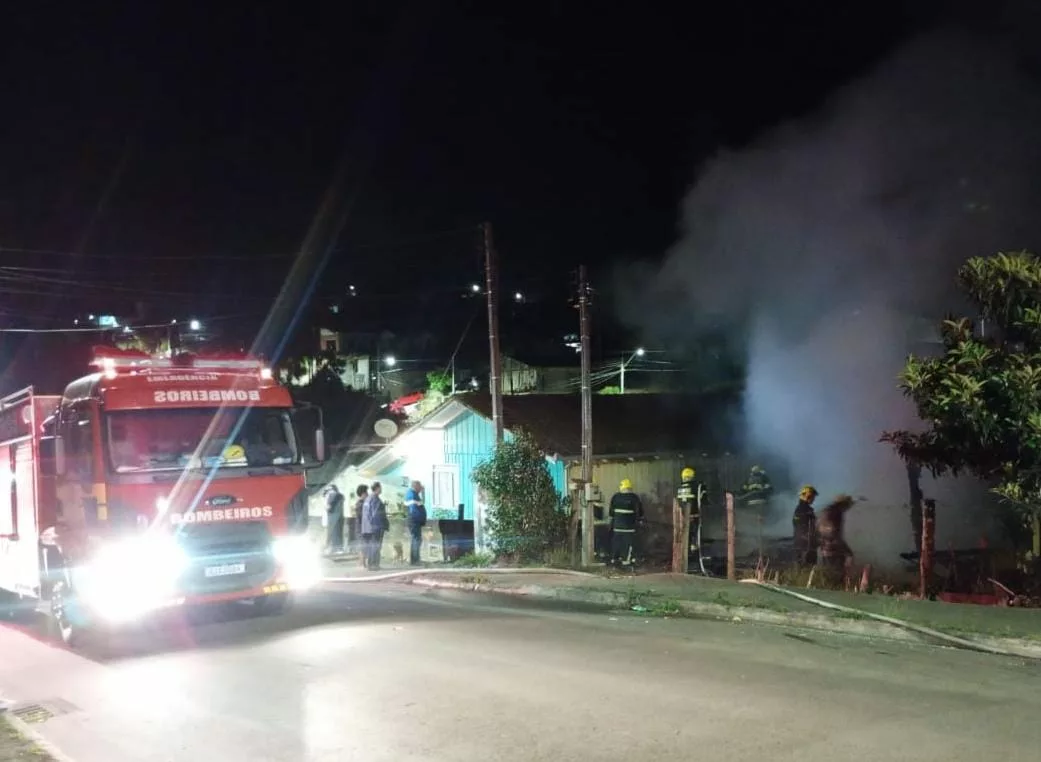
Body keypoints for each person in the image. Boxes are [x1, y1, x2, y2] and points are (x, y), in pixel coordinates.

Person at [817, 494, 856, 585]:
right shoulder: (836, 513)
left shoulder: (828, 511)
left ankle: (827, 587)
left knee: (828, 574)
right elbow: (833, 533)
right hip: (833, 549)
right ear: (844, 504)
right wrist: (846, 550)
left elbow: (821, 530)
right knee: (835, 574)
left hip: (825, 548)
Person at [608, 478, 643, 567]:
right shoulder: (634, 497)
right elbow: (639, 512)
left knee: (616, 543)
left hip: (617, 527)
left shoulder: (615, 497)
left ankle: (614, 559)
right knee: (627, 544)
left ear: (621, 487)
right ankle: (625, 561)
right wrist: (639, 521)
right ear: (629, 487)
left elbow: (611, 513)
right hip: (629, 528)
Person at [677, 466, 706, 574]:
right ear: (692, 477)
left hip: (683, 518)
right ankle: (696, 559)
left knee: (686, 538)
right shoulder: (697, 486)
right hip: (695, 516)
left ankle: (687, 559)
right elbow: (704, 499)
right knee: (696, 537)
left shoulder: (679, 488)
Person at [361, 482, 389, 571]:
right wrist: (380, 525)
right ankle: (373, 564)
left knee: (371, 545)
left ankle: (371, 564)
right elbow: (375, 514)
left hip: (367, 527)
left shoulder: (368, 498)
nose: (381, 489)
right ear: (377, 488)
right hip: (375, 527)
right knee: (376, 546)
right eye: (380, 488)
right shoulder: (375, 499)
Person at [792, 484, 819, 566]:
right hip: (806, 545)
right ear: (808, 496)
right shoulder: (805, 510)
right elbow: (808, 527)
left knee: (800, 566)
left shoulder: (799, 509)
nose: (814, 499)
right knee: (808, 567)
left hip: (800, 543)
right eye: (813, 497)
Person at [404, 480, 427, 566]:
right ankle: (415, 560)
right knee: (416, 540)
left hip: (416, 520)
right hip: (414, 520)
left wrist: (423, 492)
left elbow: (422, 503)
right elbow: (414, 509)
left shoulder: (415, 494)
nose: (421, 488)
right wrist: (419, 519)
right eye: (420, 486)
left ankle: (416, 559)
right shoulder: (412, 494)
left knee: (417, 539)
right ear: (415, 486)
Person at [324, 484, 345, 555]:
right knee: (337, 533)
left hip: (333, 517)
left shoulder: (332, 495)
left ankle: (335, 548)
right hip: (338, 517)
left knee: (334, 533)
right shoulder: (339, 495)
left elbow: (328, 507)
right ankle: (337, 548)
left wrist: (328, 507)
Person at [351, 484, 368, 561]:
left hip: (362, 528)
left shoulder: (362, 503)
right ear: (363, 494)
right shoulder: (360, 504)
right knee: (363, 546)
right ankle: (362, 563)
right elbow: (362, 516)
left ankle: (363, 563)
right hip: (361, 528)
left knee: (363, 546)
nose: (367, 494)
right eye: (366, 492)